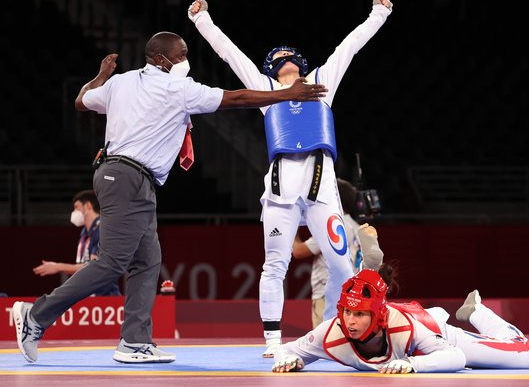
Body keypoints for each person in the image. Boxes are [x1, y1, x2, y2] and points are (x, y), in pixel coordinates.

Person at [12, 30, 328, 364]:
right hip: (126, 177)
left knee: (147, 262)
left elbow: (81, 101)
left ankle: (134, 342)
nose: (185, 60)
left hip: (131, 179)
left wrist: (102, 76)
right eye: (181, 55)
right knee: (113, 261)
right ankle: (36, 316)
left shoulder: (121, 82)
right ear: (161, 59)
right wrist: (285, 95)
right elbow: (235, 99)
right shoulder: (177, 88)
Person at [188, 0, 393, 357]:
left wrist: (378, 13)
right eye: (278, 60)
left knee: (341, 264)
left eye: (289, 58)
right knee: (275, 263)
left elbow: (350, 46)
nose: (285, 61)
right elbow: (230, 53)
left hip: (321, 181)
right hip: (282, 183)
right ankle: (271, 340)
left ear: (299, 64)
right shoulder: (265, 90)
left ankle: (333, 329)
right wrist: (203, 21)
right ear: (271, 67)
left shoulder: (321, 82)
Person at [272, 268, 529, 373]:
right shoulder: (330, 332)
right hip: (413, 343)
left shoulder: (401, 328)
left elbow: (456, 358)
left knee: (523, 356)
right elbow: (285, 350)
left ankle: (476, 311)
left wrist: (412, 364)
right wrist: (289, 359)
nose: (350, 321)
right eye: (347, 312)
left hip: (434, 333)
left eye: (360, 314)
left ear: (378, 316)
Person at [292, 178, 383, 328]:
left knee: (325, 344)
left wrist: (292, 224)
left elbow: (298, 251)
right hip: (351, 295)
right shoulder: (356, 226)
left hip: (327, 295)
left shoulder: (333, 227)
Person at [32, 190, 121, 297]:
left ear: (88, 205)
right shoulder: (85, 233)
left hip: (105, 297)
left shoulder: (102, 230)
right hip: (87, 295)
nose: (74, 212)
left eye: (76, 207)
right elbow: (83, 268)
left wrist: (59, 266)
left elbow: (94, 268)